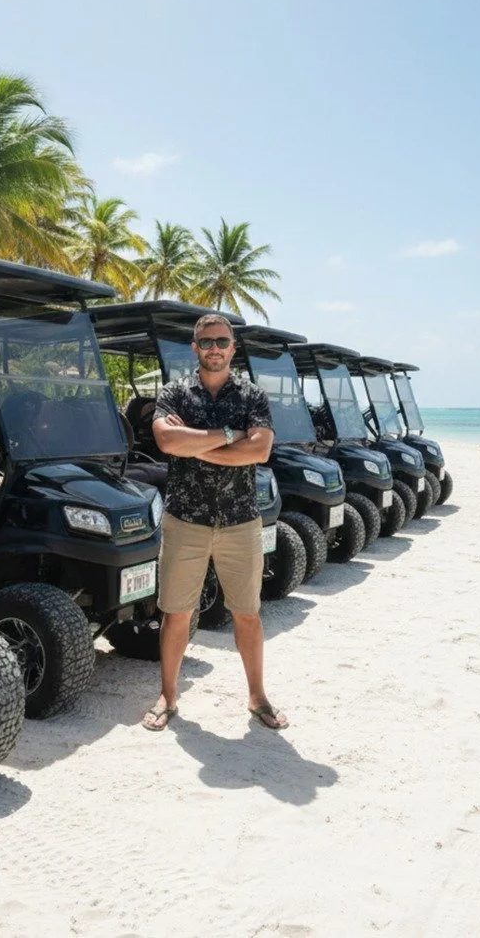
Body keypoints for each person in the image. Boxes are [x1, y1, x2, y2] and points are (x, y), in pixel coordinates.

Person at [141, 312, 288, 732]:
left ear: (233, 348)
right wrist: (229, 435)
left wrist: (196, 446)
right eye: (206, 342)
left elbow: (259, 452)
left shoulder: (252, 396)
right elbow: (167, 440)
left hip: (241, 521)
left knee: (247, 614)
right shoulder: (174, 394)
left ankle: (257, 697)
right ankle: (168, 696)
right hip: (185, 520)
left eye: (222, 341)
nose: (215, 349)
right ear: (194, 348)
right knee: (176, 614)